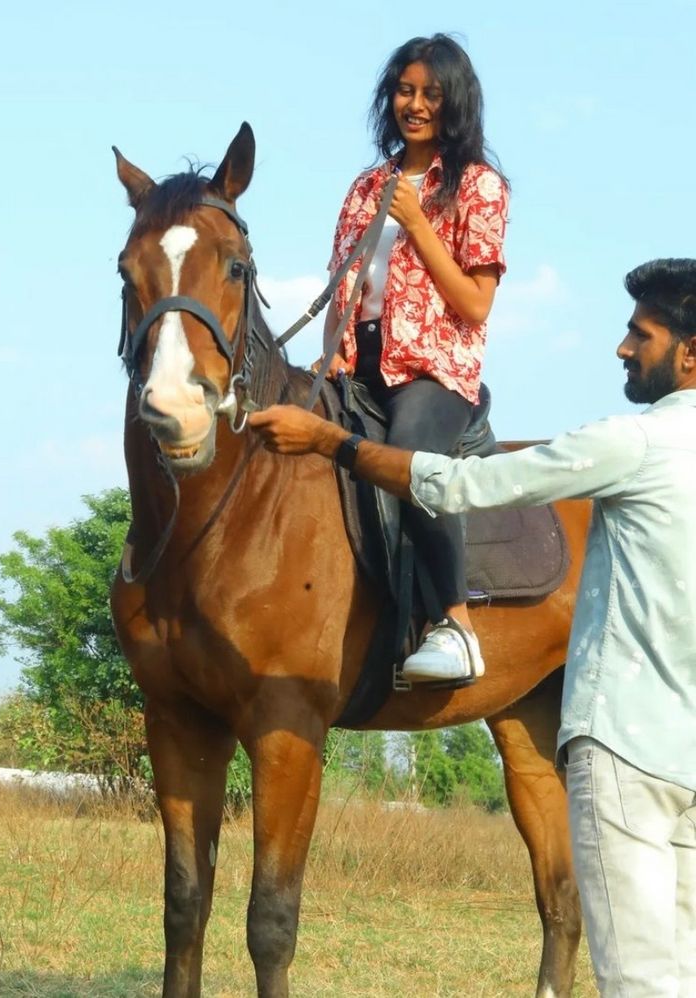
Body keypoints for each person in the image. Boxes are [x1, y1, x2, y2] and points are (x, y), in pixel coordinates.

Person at [250, 258, 696, 997]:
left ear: (690, 354)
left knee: (639, 978)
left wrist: (335, 446)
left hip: (625, 753)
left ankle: (447, 621)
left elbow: (466, 485)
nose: (622, 348)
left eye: (638, 335)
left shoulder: (635, 443)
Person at [319, 33, 510, 684]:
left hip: (434, 372)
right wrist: (332, 353)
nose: (415, 103)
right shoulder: (366, 184)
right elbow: (342, 281)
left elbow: (475, 304)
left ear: (454, 101)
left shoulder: (478, 186)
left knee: (408, 460)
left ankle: (454, 624)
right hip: (359, 367)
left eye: (430, 93)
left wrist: (421, 225)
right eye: (405, 90)